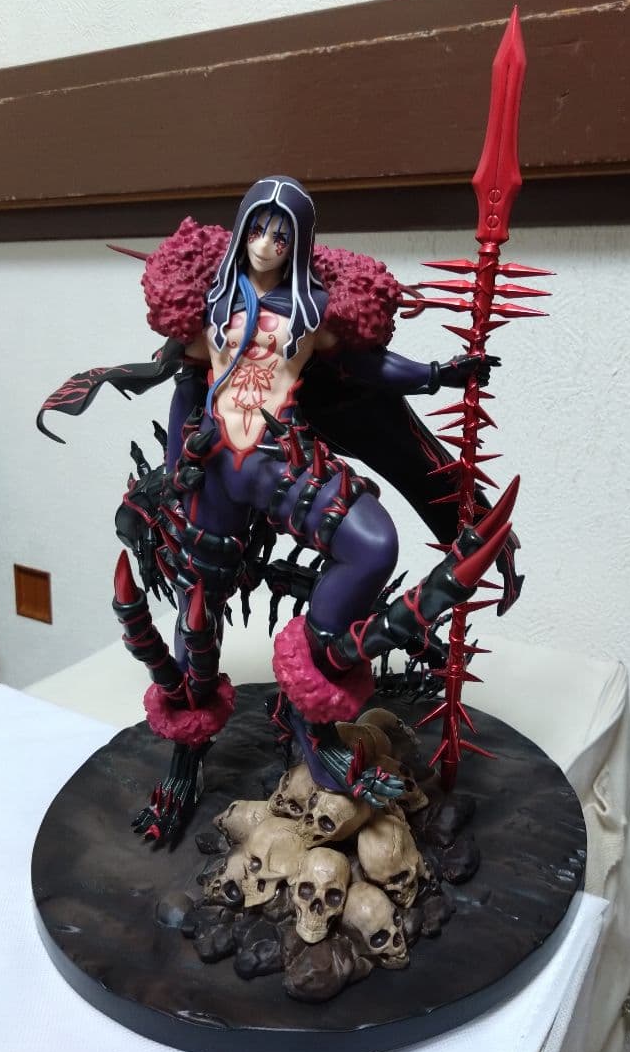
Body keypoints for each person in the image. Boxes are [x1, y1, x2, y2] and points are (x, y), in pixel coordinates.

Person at [40, 175, 519, 843]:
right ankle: (185, 763)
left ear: (300, 242)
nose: (267, 244)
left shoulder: (313, 310)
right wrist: (176, 469)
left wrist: (439, 374)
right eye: (259, 228)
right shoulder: (211, 304)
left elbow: (371, 370)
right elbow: (186, 387)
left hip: (279, 461)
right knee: (197, 613)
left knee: (373, 545)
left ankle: (311, 712)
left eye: (283, 234)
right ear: (242, 230)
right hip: (213, 469)